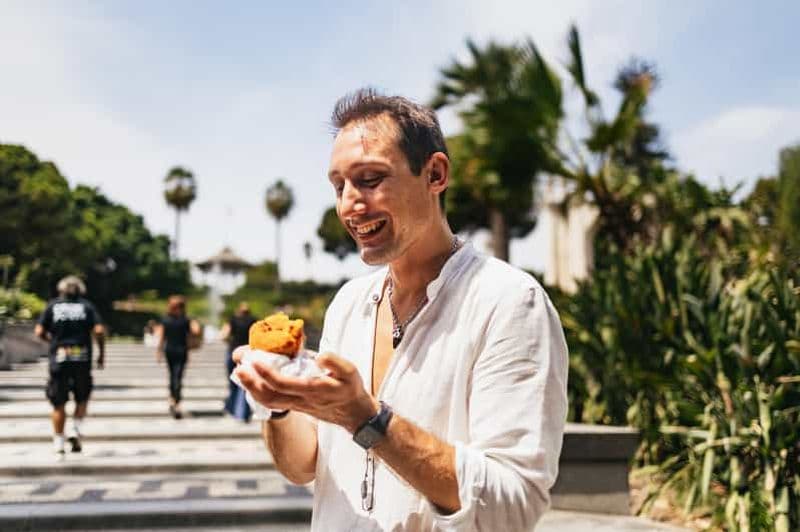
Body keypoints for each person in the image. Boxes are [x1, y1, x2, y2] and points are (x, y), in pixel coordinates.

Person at [234, 89, 569, 531]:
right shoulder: (348, 305)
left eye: (370, 179)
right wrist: (276, 404)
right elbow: (303, 466)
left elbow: (511, 505)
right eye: (339, 186)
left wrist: (367, 419)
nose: (349, 205)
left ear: (435, 174)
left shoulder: (509, 302)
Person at [35, 275, 105, 455]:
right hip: (82, 358)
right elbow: (99, 330)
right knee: (82, 397)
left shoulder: (53, 306)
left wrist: (52, 342)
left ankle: (58, 442)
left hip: (60, 357)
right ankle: (75, 428)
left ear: (61, 290)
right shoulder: (86, 306)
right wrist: (101, 353)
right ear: (80, 290)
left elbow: (39, 331)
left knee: (58, 402)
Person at [156, 295, 201, 419]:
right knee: (174, 376)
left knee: (177, 377)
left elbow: (195, 332)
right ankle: (174, 399)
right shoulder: (171, 320)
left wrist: (159, 351)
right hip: (173, 351)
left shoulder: (183, 320)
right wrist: (159, 351)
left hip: (179, 351)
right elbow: (162, 337)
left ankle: (175, 400)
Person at [219, 302, 256, 421]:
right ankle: (242, 413)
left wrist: (231, 340)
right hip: (248, 354)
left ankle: (232, 408)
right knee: (246, 385)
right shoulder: (254, 321)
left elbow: (223, 335)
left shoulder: (233, 320)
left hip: (233, 353)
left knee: (233, 383)